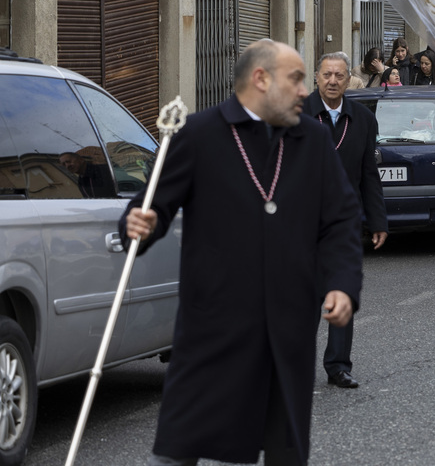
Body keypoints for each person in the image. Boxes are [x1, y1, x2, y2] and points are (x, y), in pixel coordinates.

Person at [121, 39, 363, 466]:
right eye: (296, 79)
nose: (304, 90)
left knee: (284, 449)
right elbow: (152, 204)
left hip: (285, 329)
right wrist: (140, 222)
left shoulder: (313, 139)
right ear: (260, 79)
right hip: (214, 327)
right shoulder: (199, 134)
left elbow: (340, 222)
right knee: (181, 447)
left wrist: (342, 284)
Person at [305, 52, 388, 390]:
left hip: (345, 223)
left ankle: (339, 365)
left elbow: (370, 174)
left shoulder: (363, 120)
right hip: (301, 222)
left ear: (347, 80)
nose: (333, 81)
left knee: (343, 292)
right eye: (327, 74)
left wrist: (378, 220)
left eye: (340, 75)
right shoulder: (297, 115)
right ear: (316, 77)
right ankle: (294, 363)